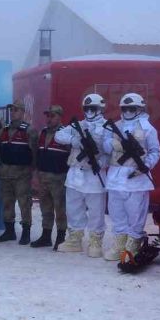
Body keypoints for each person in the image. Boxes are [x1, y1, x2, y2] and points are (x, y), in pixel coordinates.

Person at [102, 93, 160, 261]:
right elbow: (106, 148)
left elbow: (155, 151)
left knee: (135, 213)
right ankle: (120, 242)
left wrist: (145, 167)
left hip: (136, 178)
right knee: (116, 212)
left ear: (139, 108)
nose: (128, 111)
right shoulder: (114, 126)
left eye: (132, 108)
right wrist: (113, 143)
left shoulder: (147, 128)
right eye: (125, 108)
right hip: (115, 176)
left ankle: (133, 242)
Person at [54, 93, 108, 257]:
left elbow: (109, 152)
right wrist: (74, 140)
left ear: (100, 109)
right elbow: (58, 135)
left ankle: (95, 241)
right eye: (87, 108)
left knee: (96, 211)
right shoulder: (78, 124)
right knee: (73, 209)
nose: (90, 111)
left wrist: (100, 162)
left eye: (93, 108)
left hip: (94, 175)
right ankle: (75, 240)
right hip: (75, 174)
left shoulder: (107, 127)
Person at [0, 99, 38, 245]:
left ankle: (26, 232)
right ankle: (9, 231)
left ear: (23, 112)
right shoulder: (4, 130)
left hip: (22, 174)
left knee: (24, 203)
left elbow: (35, 153)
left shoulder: (29, 130)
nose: (13, 113)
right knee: (7, 203)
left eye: (16, 110)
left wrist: (31, 171)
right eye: (12, 110)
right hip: (6, 173)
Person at [30, 105, 70, 249]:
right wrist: (35, 173)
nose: (49, 118)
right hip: (43, 176)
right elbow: (38, 154)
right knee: (45, 208)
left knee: (60, 209)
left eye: (52, 116)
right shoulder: (43, 133)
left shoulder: (66, 133)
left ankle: (61, 238)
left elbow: (71, 156)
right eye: (48, 115)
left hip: (59, 177)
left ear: (59, 117)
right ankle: (46, 236)